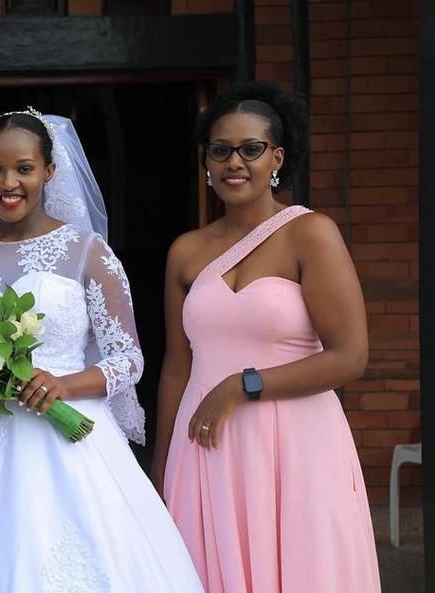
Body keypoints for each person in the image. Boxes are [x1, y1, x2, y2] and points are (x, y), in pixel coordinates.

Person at [0, 108, 204, 592]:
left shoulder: (87, 252)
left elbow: (128, 358)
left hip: (68, 439)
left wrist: (63, 383)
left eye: (24, 168)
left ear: (49, 172)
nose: (8, 182)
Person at [152, 81, 381, 593]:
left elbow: (351, 357)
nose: (235, 162)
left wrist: (242, 385)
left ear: (276, 156)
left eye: (251, 149)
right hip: (205, 451)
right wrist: (161, 472)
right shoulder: (185, 252)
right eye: (220, 150)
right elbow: (176, 367)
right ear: (206, 162)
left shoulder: (310, 233)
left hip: (297, 444)